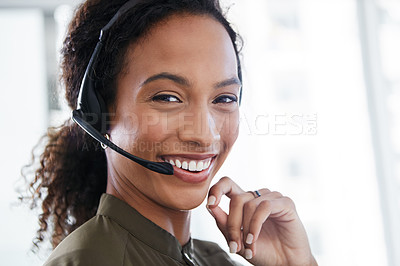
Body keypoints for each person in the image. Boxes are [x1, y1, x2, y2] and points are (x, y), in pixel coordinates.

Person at [22, 0, 317, 265]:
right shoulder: (88, 261)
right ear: (97, 115)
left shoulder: (211, 259)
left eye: (224, 98)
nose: (204, 135)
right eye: (167, 98)